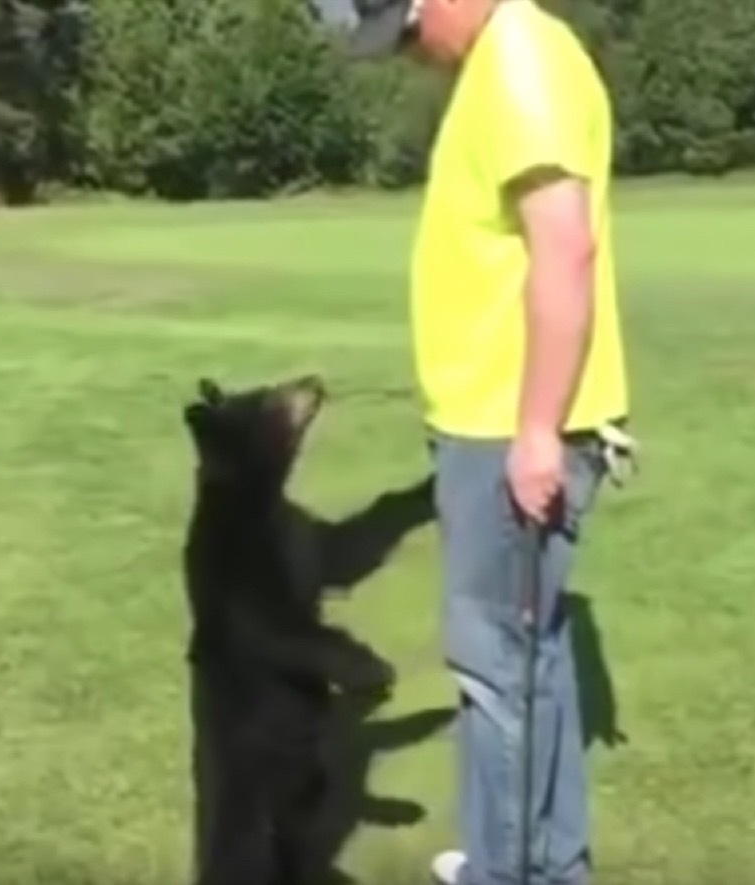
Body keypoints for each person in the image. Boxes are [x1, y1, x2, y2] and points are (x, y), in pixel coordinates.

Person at [316, 1, 636, 883]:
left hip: (512, 429)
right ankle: (531, 862)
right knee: (523, 664)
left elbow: (563, 251)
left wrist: (536, 431)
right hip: (491, 422)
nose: (411, 60)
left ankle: (513, 874)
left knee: (499, 675)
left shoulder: (521, 62)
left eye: (407, 36)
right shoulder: (498, 62)